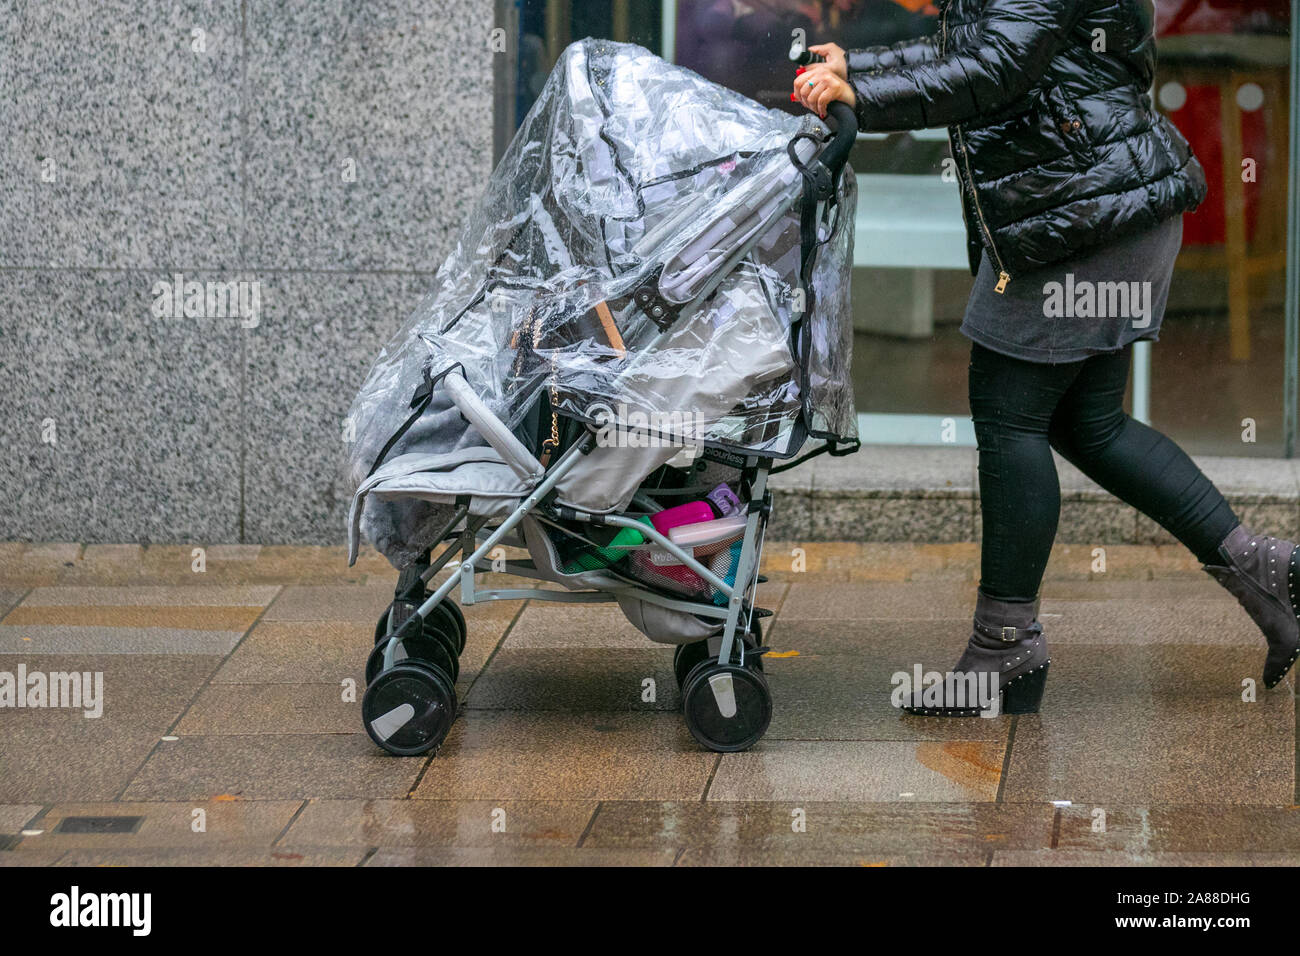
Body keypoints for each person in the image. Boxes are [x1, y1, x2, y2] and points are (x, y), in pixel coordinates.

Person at [792, 0, 1300, 715]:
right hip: (1098, 208)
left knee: (1009, 413)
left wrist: (863, 95)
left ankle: (1005, 649)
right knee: (1089, 424)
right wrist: (857, 68)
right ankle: (1266, 571)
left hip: (1084, 219)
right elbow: (975, 45)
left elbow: (997, 68)